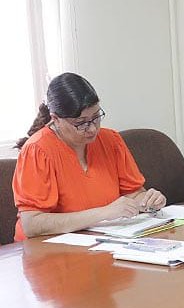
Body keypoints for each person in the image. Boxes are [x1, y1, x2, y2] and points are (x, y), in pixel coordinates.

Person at [12, 72, 166, 241]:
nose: (92, 129)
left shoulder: (111, 140)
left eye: (96, 117)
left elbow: (133, 194)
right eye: (81, 123)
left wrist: (148, 200)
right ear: (56, 119)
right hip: (45, 247)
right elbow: (32, 224)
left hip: (99, 241)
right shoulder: (37, 150)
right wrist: (104, 213)